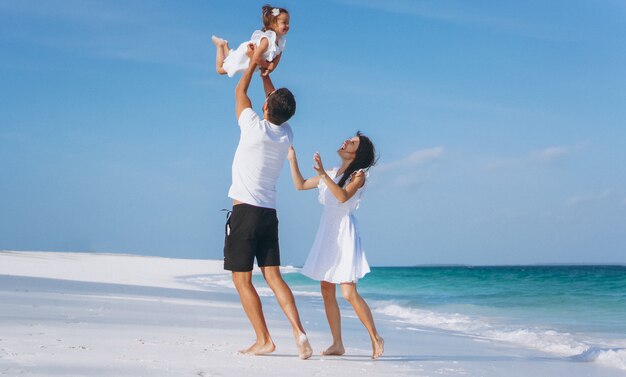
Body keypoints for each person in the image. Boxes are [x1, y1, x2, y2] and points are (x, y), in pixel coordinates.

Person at [222, 44, 312, 360]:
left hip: (245, 211)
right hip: (269, 214)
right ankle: (299, 332)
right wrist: (266, 74)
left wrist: (252, 66)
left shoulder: (252, 126)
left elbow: (238, 89)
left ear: (266, 108)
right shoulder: (285, 133)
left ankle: (264, 340)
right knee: (273, 276)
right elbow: (274, 104)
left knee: (241, 279)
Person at [287, 132, 384, 359]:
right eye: (349, 139)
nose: (346, 141)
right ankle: (337, 343)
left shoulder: (359, 176)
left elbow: (342, 197)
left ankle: (375, 336)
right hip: (327, 232)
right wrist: (292, 159)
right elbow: (300, 185)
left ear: (358, 153)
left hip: (344, 233)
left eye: (352, 142)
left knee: (348, 292)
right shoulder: (330, 173)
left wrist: (323, 175)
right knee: (326, 289)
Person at [212, 5, 289, 77]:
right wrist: (267, 65)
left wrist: (270, 69)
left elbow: (276, 60)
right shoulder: (266, 41)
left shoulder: (281, 43)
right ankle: (220, 45)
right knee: (220, 70)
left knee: (232, 57)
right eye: (284, 23)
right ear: (272, 25)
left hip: (253, 60)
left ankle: (225, 45)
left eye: (288, 23)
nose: (287, 25)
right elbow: (255, 57)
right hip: (246, 55)